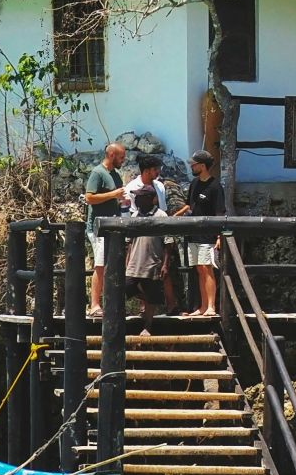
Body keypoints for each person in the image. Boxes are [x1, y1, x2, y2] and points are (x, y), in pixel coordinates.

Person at [170, 150, 222, 317]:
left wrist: (219, 236)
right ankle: (202, 306)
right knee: (199, 269)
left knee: (207, 268)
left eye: (194, 164)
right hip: (193, 233)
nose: (191, 166)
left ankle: (211, 306)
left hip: (208, 234)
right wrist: (176, 216)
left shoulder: (215, 186)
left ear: (202, 166)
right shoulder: (194, 184)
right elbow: (189, 205)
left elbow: (220, 212)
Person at [83, 143, 127, 316]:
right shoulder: (97, 173)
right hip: (98, 228)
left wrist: (122, 200)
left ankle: (110, 302)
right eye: (121, 157)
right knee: (100, 265)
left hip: (113, 227)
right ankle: (94, 305)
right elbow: (89, 198)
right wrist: (113, 195)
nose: (123, 160)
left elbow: (114, 198)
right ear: (111, 155)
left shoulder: (116, 175)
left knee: (112, 265)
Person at [123, 181, 168, 335]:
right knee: (126, 287)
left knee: (151, 291)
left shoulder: (161, 216)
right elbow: (129, 242)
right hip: (134, 262)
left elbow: (168, 242)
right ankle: (153, 299)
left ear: (151, 199)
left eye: (140, 198)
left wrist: (165, 264)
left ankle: (147, 326)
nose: (136, 200)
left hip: (152, 262)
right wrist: (126, 262)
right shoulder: (134, 216)